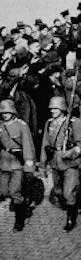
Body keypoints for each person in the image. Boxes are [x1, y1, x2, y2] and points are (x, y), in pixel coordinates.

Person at [39, 96, 81, 232]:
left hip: (70, 162)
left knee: (68, 193)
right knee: (58, 191)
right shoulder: (49, 123)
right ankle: (76, 200)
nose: (52, 111)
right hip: (55, 161)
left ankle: (71, 219)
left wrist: (70, 153)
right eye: (51, 108)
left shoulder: (73, 122)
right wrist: (42, 164)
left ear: (62, 109)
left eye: (55, 108)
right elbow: (45, 144)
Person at [0, 99, 35, 231]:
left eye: (7, 112)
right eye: (3, 113)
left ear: (13, 112)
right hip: (4, 161)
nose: (5, 115)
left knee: (15, 191)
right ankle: (23, 205)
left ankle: (19, 220)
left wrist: (29, 164)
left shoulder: (21, 125)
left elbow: (27, 144)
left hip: (17, 163)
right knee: (3, 191)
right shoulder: (1, 125)